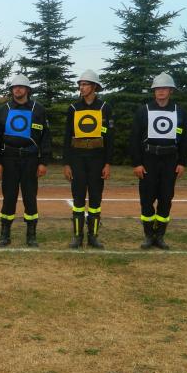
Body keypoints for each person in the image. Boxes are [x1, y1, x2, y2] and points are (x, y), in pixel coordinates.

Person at [130, 72, 187, 249]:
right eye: (157, 89)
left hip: (170, 160)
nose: (161, 91)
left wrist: (182, 162)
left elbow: (186, 139)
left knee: (166, 198)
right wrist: (137, 163)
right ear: (154, 91)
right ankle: (149, 235)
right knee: (146, 198)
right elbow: (134, 138)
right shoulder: (144, 111)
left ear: (171, 90)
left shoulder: (179, 112)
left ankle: (160, 236)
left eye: (164, 88)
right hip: (148, 159)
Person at [0, 74, 51, 247]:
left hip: (30, 159)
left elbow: (45, 137)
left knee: (30, 197)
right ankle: (5, 234)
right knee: (9, 197)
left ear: (27, 90)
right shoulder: (3, 110)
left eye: (21, 87)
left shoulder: (38, 110)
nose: (17, 89)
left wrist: (43, 161)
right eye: (14, 87)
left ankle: (31, 235)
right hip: (8, 159)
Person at [63, 70, 114, 249]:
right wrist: (67, 163)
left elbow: (110, 138)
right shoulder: (73, 108)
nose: (81, 87)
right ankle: (77, 236)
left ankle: (93, 237)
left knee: (95, 199)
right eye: (80, 84)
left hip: (97, 159)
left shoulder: (105, 107)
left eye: (85, 84)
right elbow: (67, 136)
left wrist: (107, 163)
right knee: (78, 198)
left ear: (94, 87)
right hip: (77, 158)